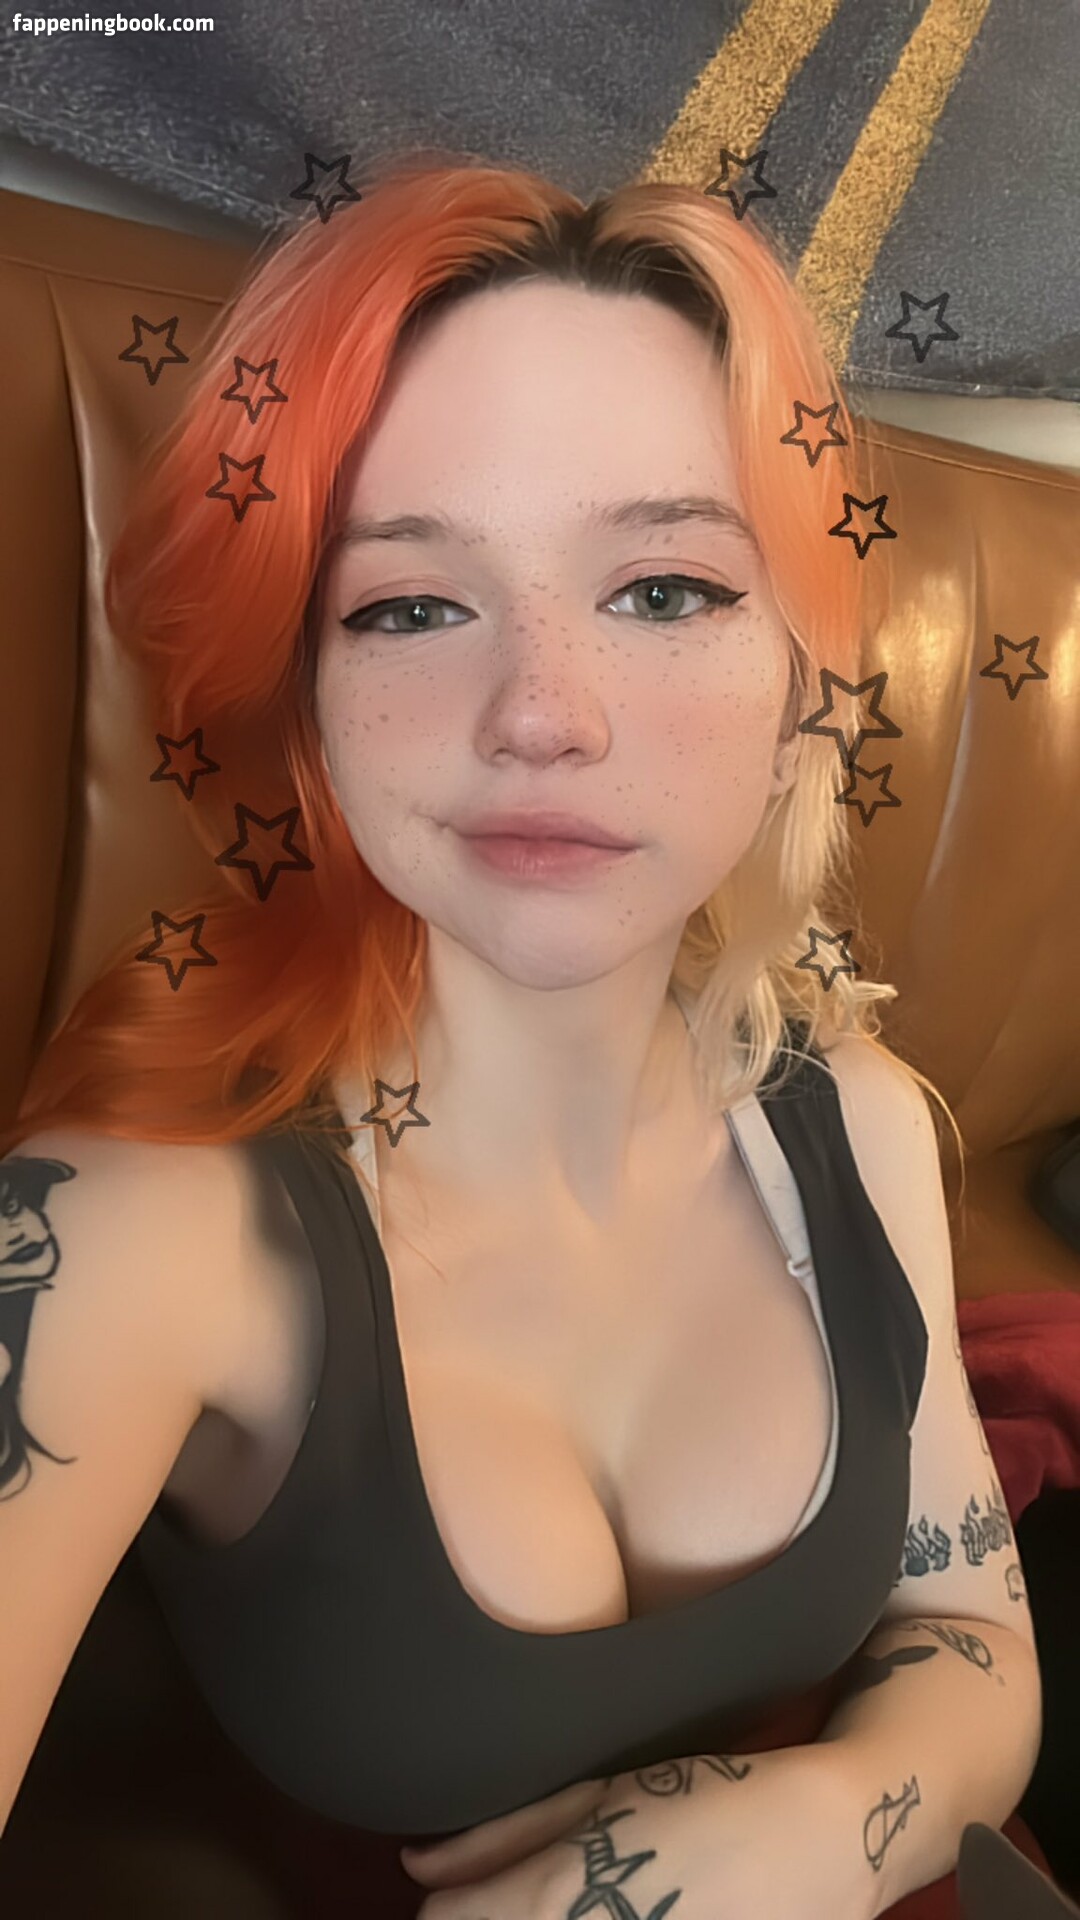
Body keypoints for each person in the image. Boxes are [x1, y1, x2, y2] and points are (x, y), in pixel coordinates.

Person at [1, 154, 1050, 1918]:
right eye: (410, 605)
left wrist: (816, 1824)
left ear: (805, 674)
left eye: (667, 589)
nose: (544, 715)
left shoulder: (854, 1120)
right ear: (306, 695)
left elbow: (971, 1634)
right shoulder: (126, 1231)